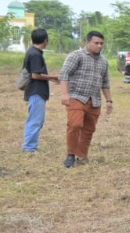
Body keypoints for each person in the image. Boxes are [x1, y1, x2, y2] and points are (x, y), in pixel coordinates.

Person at [59, 30, 112, 167]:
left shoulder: (104, 61)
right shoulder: (76, 56)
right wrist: (64, 94)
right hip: (76, 96)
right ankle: (71, 154)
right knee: (75, 124)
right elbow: (64, 74)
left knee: (89, 129)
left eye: (101, 43)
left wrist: (109, 101)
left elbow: (105, 83)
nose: (99, 46)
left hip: (94, 99)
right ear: (87, 42)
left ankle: (82, 156)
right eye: (96, 43)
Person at [21, 28, 59, 153]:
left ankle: (30, 145)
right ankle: (29, 147)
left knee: (36, 119)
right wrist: (53, 77)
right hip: (36, 91)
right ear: (45, 40)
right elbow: (35, 75)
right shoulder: (36, 54)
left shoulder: (32, 51)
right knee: (35, 120)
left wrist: (51, 79)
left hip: (35, 90)